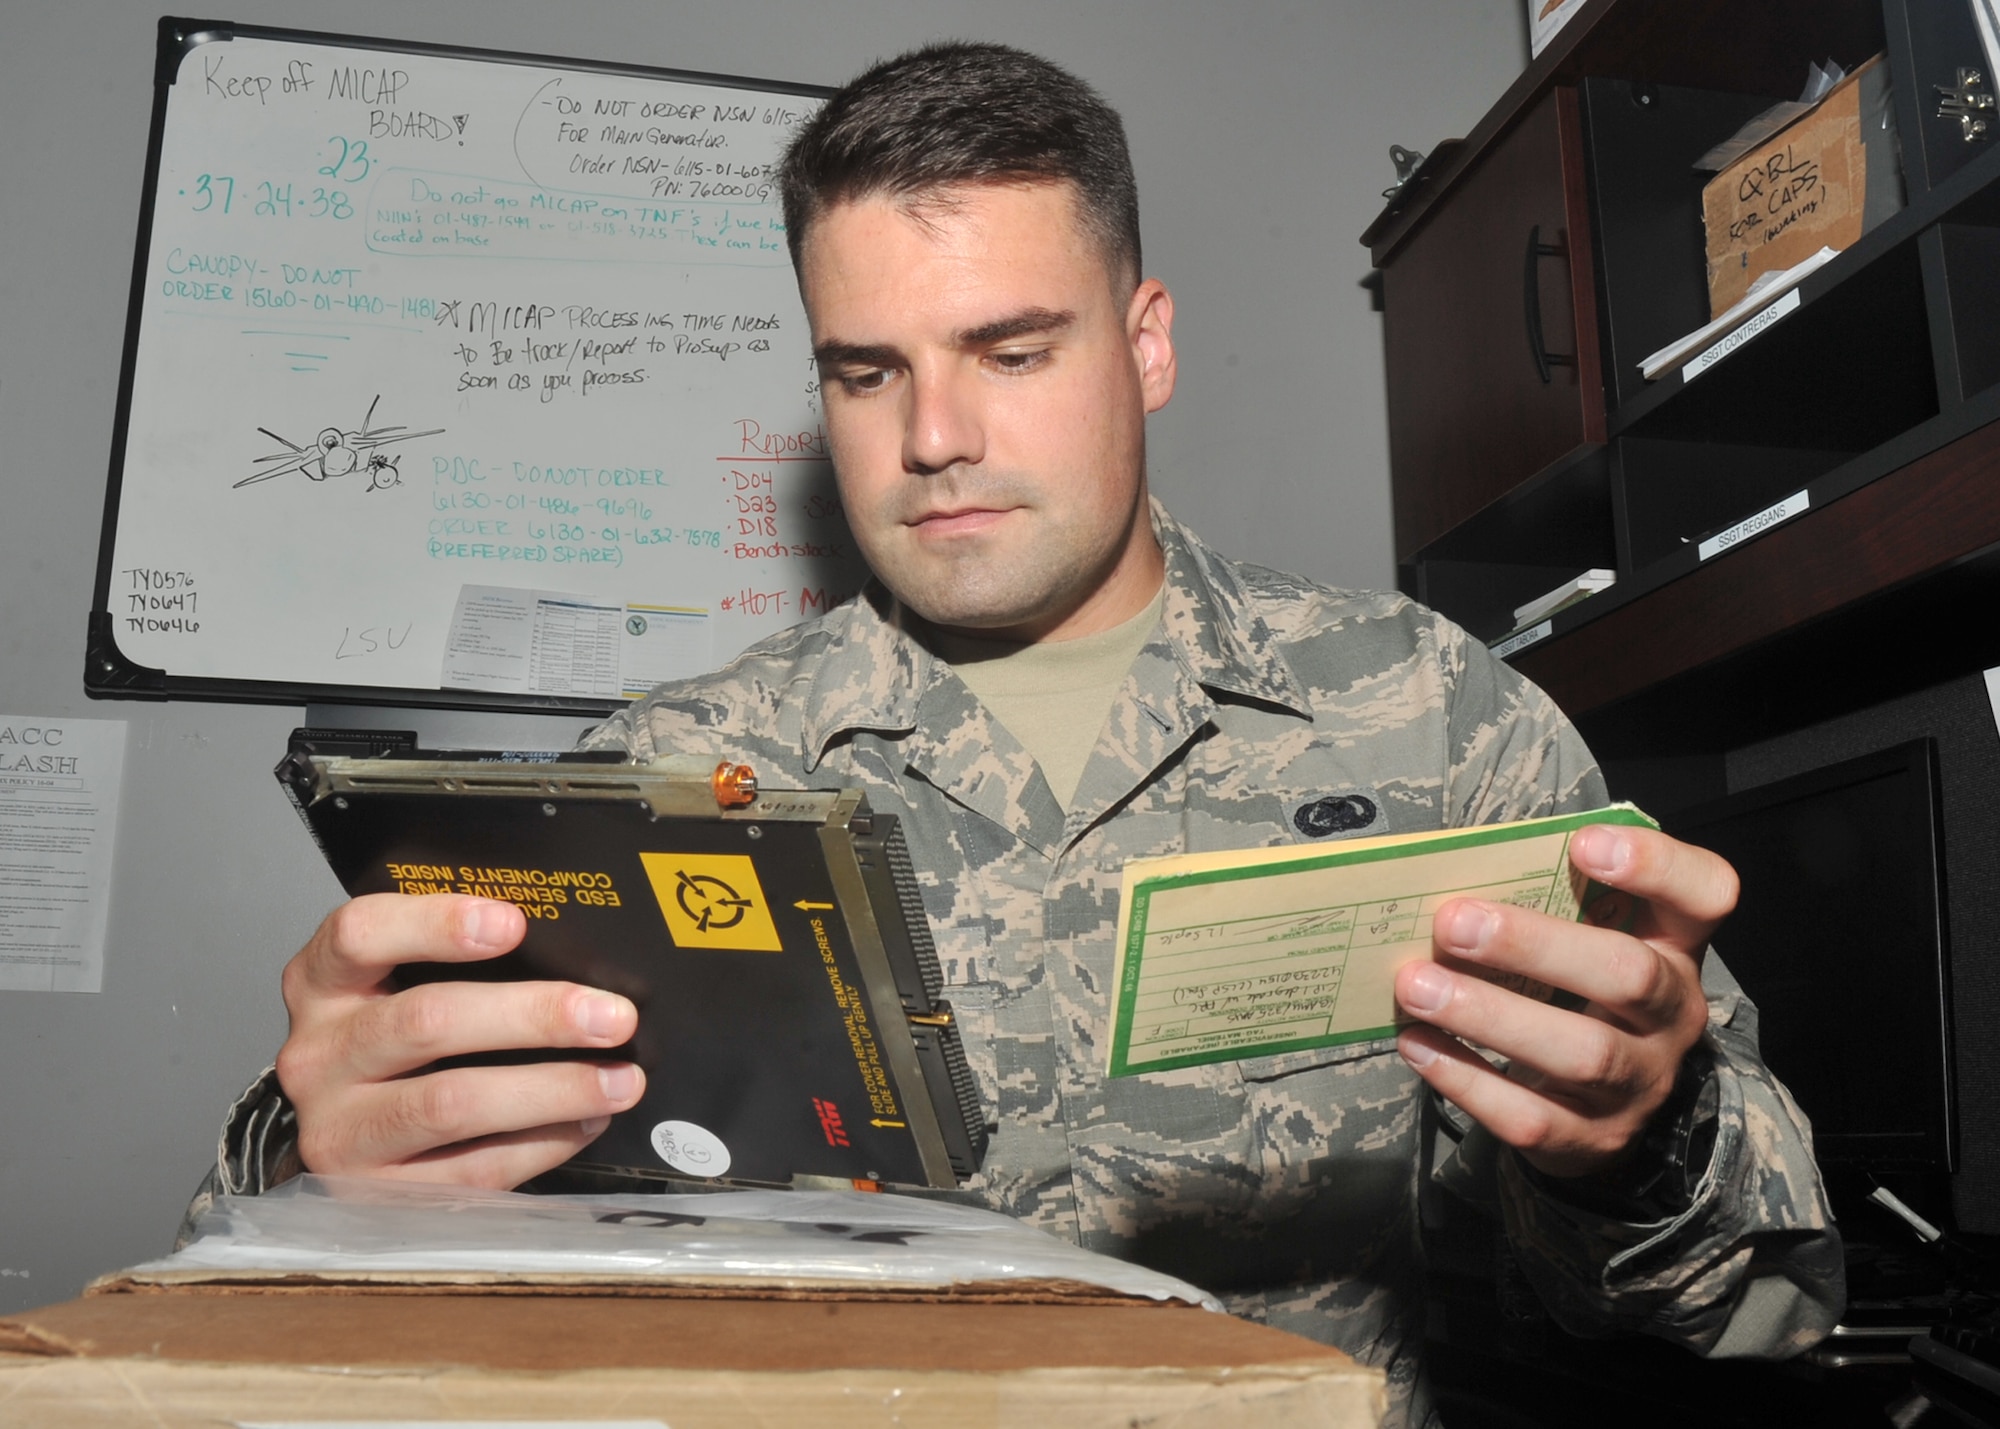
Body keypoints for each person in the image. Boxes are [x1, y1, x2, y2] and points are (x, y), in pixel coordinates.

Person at [194, 42, 1842, 1426]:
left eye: (1011, 349)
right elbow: (358, 1290)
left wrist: (1652, 1134)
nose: (932, 437)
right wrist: (316, 1156)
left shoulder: (1427, 714)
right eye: (865, 372)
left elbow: (1765, 1308)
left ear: (1147, 345)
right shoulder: (668, 774)